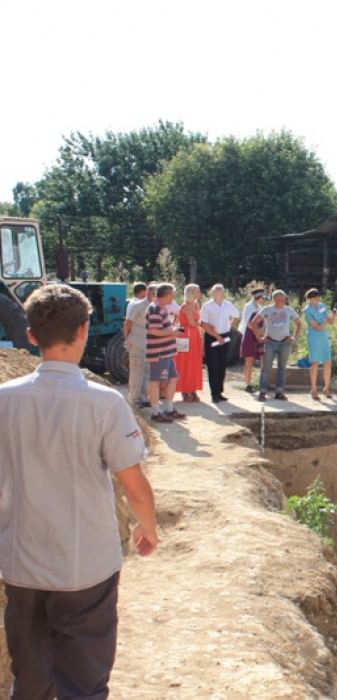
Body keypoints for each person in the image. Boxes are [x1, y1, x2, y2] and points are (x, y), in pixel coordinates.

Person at [0, 284, 158, 699]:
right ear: (85, 330)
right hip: (85, 566)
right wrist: (147, 528)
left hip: (22, 564)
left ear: (30, 336)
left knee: (30, 680)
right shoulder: (105, 404)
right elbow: (134, 485)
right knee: (84, 684)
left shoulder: (4, 401)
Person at [253, 290, 302, 401]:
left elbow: (299, 324)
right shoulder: (267, 309)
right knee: (266, 368)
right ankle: (262, 392)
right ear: (274, 299)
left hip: (285, 342)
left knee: (282, 368)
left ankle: (279, 392)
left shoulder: (289, 310)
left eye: (283, 299)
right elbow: (254, 323)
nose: (281, 301)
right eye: (279, 299)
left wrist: (294, 337)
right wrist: (259, 338)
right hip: (270, 342)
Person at [146, 283, 184, 424]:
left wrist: (174, 330)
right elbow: (154, 331)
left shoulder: (161, 308)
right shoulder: (155, 309)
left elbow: (161, 328)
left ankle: (168, 408)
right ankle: (156, 412)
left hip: (166, 351)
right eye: (172, 295)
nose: (173, 298)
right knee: (155, 381)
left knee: (173, 378)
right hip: (159, 353)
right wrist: (173, 332)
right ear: (167, 295)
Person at [199, 284, 240, 402]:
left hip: (225, 336)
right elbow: (204, 324)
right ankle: (214, 393)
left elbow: (237, 315)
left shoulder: (228, 304)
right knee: (213, 365)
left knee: (222, 365)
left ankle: (220, 391)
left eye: (220, 292)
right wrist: (216, 336)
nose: (218, 294)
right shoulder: (207, 306)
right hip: (212, 336)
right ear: (212, 293)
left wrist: (229, 325)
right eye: (216, 292)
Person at [122, 282, 153, 408]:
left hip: (149, 344)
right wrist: (127, 339)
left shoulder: (154, 307)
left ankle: (144, 398)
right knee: (136, 371)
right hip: (137, 343)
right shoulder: (138, 306)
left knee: (146, 372)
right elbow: (127, 323)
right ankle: (134, 399)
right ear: (149, 293)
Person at [303, 288, 337, 400]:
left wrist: (334, 315)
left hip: (323, 336)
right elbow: (317, 327)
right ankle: (313, 389)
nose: (317, 298)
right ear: (310, 298)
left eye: (318, 296)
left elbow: (330, 321)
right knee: (315, 363)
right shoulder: (307, 311)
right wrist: (327, 321)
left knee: (328, 362)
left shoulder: (322, 306)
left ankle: (326, 388)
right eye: (314, 296)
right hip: (314, 336)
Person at [175, 283, 203, 402]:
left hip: (194, 335)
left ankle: (192, 389)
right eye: (197, 291)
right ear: (191, 293)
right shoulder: (186, 306)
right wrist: (205, 325)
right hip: (184, 335)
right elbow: (192, 323)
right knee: (184, 362)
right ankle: (184, 390)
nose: (199, 293)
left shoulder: (195, 305)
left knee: (194, 362)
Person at [239, 288, 267, 392]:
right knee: (249, 360)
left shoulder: (261, 307)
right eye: (262, 297)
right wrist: (258, 332)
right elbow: (248, 323)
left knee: (263, 359)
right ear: (257, 297)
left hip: (259, 334)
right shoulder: (248, 306)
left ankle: (262, 383)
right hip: (249, 335)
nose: (264, 300)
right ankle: (248, 384)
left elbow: (264, 322)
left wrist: (262, 332)